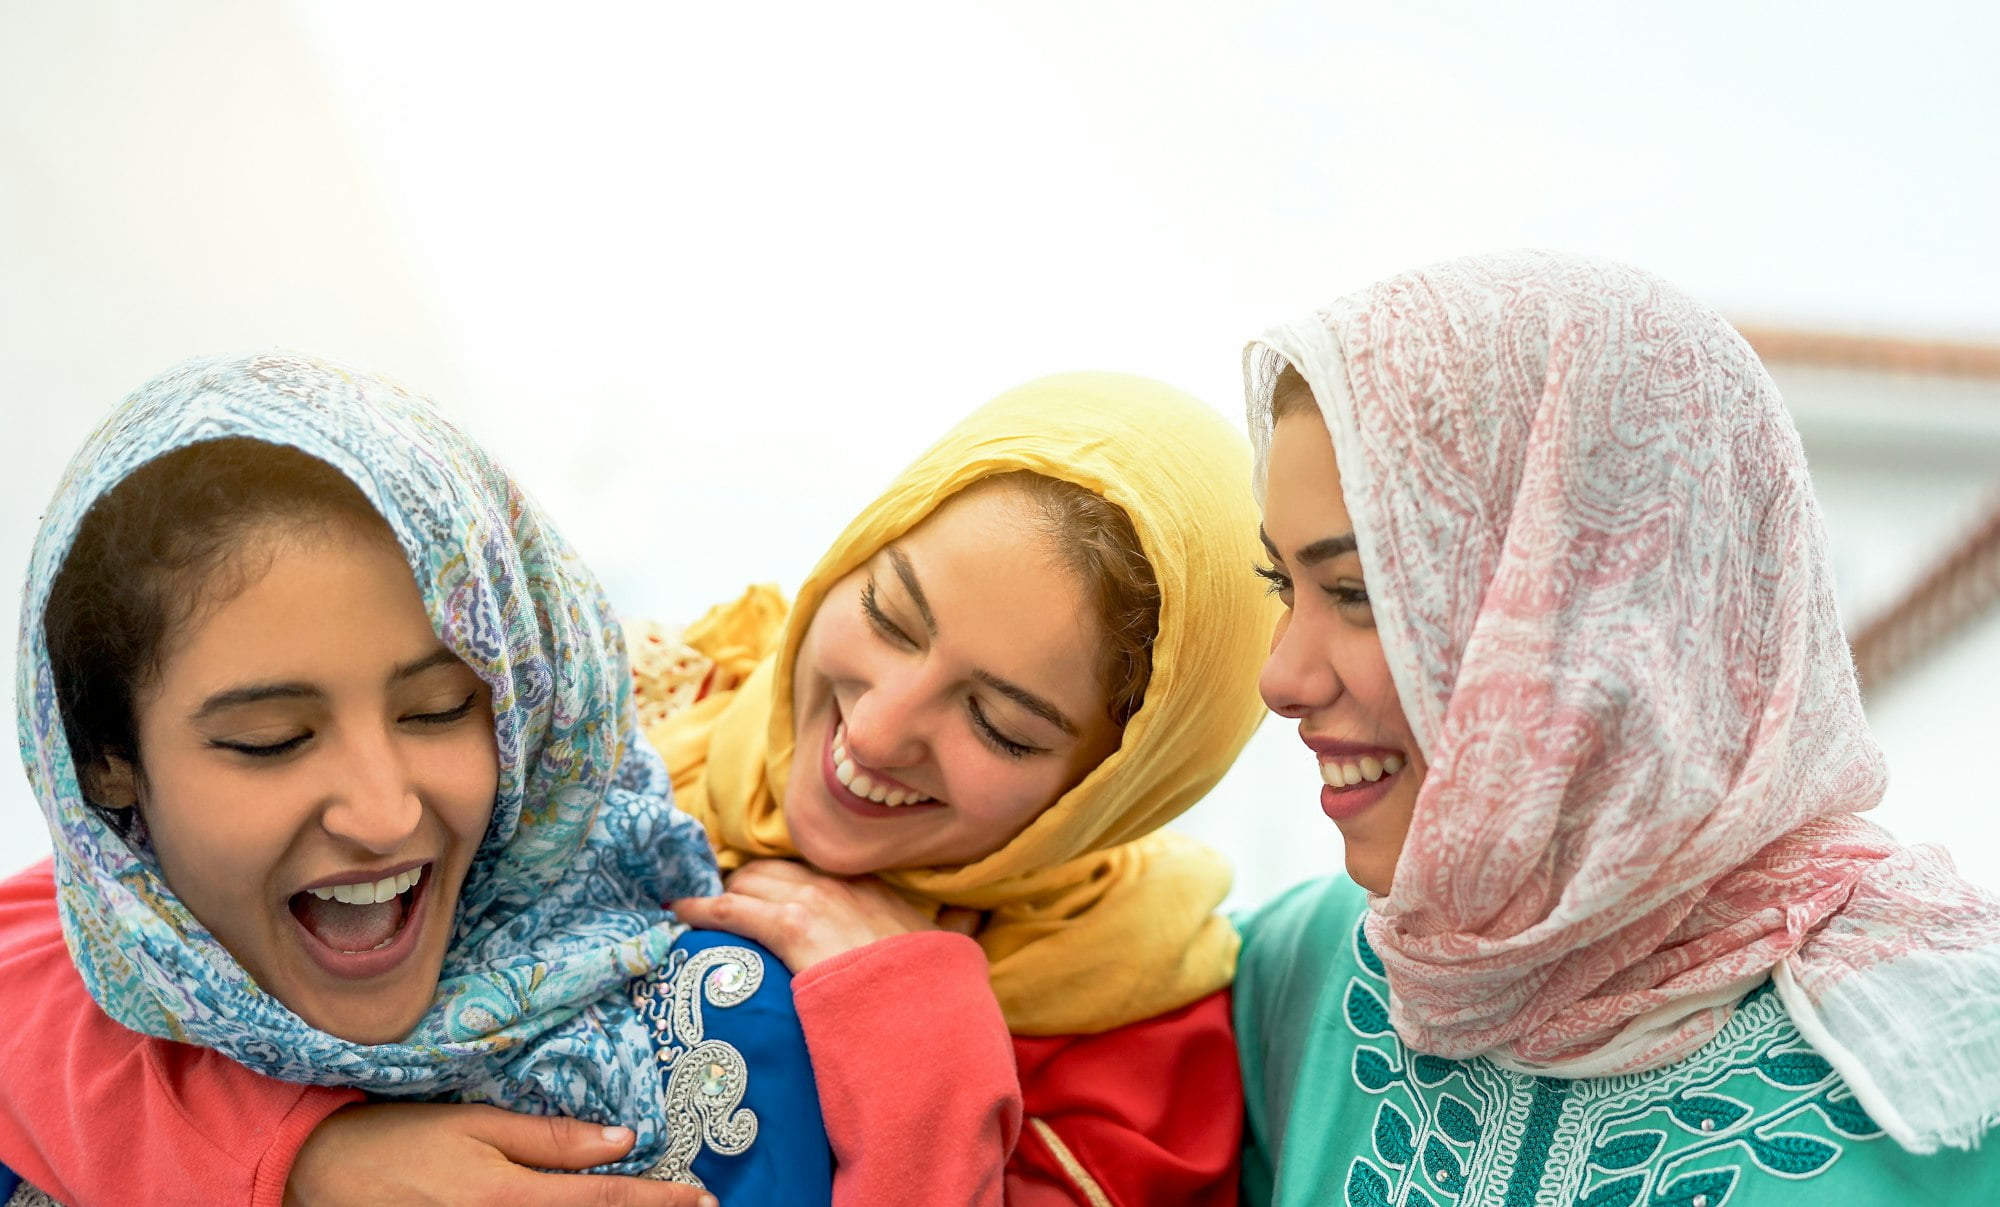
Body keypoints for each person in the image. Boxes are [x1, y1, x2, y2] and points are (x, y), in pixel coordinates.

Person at [0, 369, 1275, 1205]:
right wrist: (310, 1163)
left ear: (1125, 780)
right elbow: (57, 949)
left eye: (999, 723)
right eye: (887, 614)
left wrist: (921, 1030)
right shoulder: (602, 737)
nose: (879, 729)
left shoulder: (1141, 1031)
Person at [1232, 250, 2000, 1205]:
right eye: (1282, 583)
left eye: (1361, 593)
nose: (1280, 677)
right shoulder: (1300, 983)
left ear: (1606, 615)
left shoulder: (1946, 1072)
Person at [0, 353, 831, 1207]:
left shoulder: (730, 1033)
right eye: (271, 739)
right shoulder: (50, 1047)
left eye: (436, 710)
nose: (384, 813)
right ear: (103, 761)